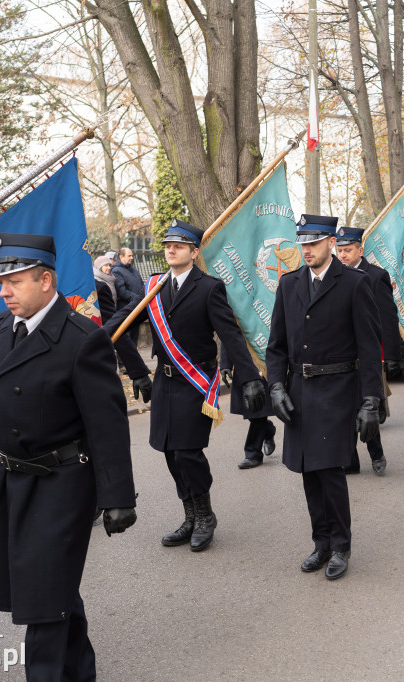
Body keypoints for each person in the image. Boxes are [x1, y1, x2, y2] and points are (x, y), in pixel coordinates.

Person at [0, 233, 137, 682]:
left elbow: (107, 426)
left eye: (14, 281)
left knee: (42, 601)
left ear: (46, 281)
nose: (3, 292)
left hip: (64, 483)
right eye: (0, 282)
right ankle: (80, 672)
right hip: (14, 484)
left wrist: (117, 496)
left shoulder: (81, 338)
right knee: (52, 590)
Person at [105, 220, 265, 551]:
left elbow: (230, 334)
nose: (171, 249)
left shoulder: (209, 287)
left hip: (196, 384)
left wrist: (248, 377)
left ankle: (205, 515)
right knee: (169, 452)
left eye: (179, 245)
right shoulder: (152, 287)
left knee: (188, 451)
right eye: (167, 245)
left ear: (194, 252)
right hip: (164, 382)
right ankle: (189, 515)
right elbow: (119, 327)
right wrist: (136, 372)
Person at [266, 214, 382, 580]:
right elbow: (276, 345)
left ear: (331, 243)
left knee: (330, 471)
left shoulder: (353, 284)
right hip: (299, 392)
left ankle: (341, 545)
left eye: (314, 243)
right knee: (307, 471)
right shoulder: (289, 284)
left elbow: (368, 346)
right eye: (302, 243)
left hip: (337, 391)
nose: (306, 250)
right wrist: (277, 386)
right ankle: (321, 542)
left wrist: (370, 401)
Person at [335, 226, 394, 475]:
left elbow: (387, 317)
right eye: (339, 250)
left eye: (347, 250)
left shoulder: (376, 276)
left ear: (360, 249)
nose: (342, 255)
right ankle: (349, 458)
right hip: (339, 351)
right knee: (343, 408)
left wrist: (389, 354)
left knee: (365, 405)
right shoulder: (333, 275)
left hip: (366, 351)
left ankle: (376, 453)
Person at [219, 345, 276, 470]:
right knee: (252, 410)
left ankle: (253, 454)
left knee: (258, 412)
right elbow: (228, 334)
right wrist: (225, 364)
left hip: (266, 361)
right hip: (244, 364)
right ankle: (268, 430)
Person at [111, 247, 145, 347]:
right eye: (129, 255)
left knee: (134, 337)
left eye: (132, 255)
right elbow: (122, 291)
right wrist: (138, 299)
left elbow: (141, 285)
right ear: (121, 257)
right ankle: (123, 362)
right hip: (126, 307)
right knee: (126, 337)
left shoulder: (133, 269)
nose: (132, 258)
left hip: (137, 307)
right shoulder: (116, 271)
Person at [93, 255, 117, 324]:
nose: (109, 268)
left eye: (109, 265)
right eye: (106, 265)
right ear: (99, 267)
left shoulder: (110, 278)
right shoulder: (98, 281)